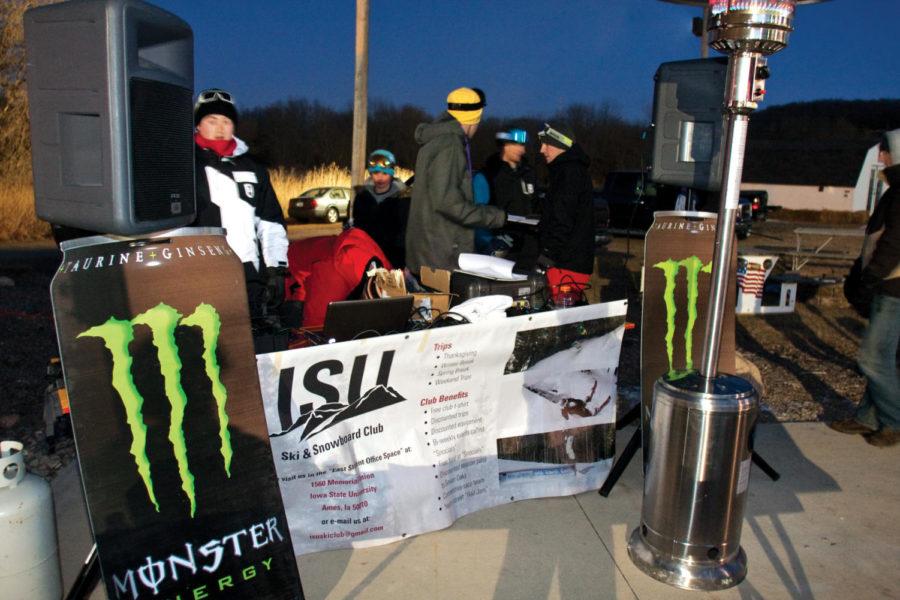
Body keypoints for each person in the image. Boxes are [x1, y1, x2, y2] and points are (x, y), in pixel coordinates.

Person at [191, 88, 289, 322]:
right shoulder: (185, 164)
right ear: (198, 125)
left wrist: (276, 270)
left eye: (226, 121)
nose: (220, 128)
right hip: (200, 273)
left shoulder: (253, 167)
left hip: (248, 273)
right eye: (211, 121)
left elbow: (270, 223)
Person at [829, 129, 900, 447]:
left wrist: (869, 278)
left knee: (872, 357)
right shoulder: (895, 188)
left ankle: (894, 421)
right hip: (889, 283)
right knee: (884, 355)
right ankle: (868, 418)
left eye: (885, 151)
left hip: (893, 286)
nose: (881, 156)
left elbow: (893, 242)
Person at [405, 87, 507, 276]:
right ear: (475, 117)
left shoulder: (436, 141)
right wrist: (497, 217)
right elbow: (448, 203)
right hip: (441, 256)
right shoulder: (450, 145)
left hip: (429, 251)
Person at [536, 122, 595, 304]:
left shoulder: (569, 173)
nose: (542, 150)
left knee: (561, 317)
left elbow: (563, 219)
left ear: (561, 144)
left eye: (547, 144)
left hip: (566, 264)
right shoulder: (569, 171)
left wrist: (547, 255)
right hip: (568, 261)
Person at [351, 149, 409, 268]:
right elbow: (358, 226)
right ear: (371, 173)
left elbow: (404, 232)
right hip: (367, 254)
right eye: (376, 173)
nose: (380, 178)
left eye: (385, 173)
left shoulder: (402, 198)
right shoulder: (362, 197)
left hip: (393, 257)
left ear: (392, 173)